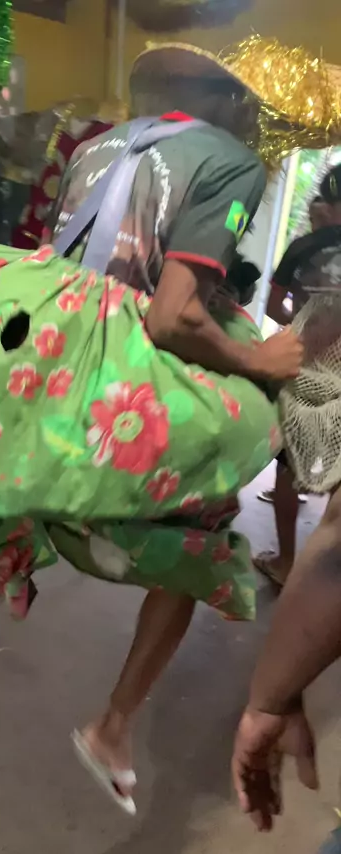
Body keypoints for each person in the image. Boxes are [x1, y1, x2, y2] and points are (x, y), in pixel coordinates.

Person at [0, 36, 335, 815]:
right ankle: (112, 727)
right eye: (255, 114)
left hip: (52, 333)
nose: (258, 130)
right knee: (203, 537)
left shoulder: (102, 144)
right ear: (232, 104)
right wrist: (258, 361)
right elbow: (172, 315)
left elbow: (79, 258)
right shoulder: (231, 163)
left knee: (24, 477)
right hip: (124, 355)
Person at [232, 164, 341, 842]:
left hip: (310, 387)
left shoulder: (317, 255)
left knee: (298, 481)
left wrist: (271, 697)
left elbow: (279, 313)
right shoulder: (316, 252)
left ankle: (285, 557)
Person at [255, 194, 332, 587]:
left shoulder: (303, 248)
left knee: (287, 464)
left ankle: (286, 563)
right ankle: (327, 571)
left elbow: (272, 306)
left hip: (306, 365)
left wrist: (300, 322)